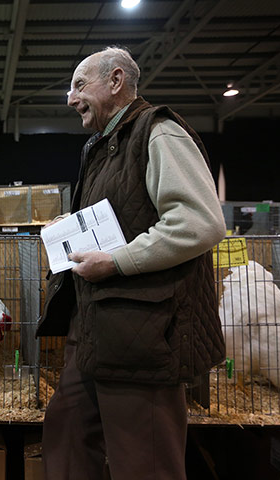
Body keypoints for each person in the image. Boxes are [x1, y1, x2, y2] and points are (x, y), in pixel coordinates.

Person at [37, 47, 227, 480]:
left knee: (145, 463)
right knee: (66, 437)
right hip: (96, 333)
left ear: (116, 81)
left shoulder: (158, 132)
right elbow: (128, 214)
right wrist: (72, 225)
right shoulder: (105, 146)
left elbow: (200, 222)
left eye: (79, 85)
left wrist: (117, 261)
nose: (70, 98)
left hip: (145, 339)